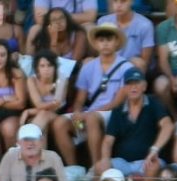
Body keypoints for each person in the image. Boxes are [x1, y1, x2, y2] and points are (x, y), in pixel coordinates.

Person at [52, 24, 133, 169]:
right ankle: (74, 168)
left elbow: (117, 102)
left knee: (91, 118)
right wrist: (77, 111)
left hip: (115, 114)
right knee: (59, 122)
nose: (105, 43)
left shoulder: (126, 67)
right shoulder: (88, 67)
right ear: (95, 44)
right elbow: (80, 99)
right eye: (101, 40)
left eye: (109, 40)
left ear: (116, 42)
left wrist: (87, 113)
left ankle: (96, 167)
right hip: (91, 114)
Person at [97, 67, 171, 180]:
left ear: (144, 86)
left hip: (147, 161)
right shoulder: (118, 110)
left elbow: (168, 125)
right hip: (123, 163)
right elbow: (107, 141)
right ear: (125, 88)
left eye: (137, 83)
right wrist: (105, 158)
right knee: (100, 168)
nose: (133, 87)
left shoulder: (153, 103)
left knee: (153, 167)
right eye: (129, 84)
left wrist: (154, 150)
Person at [96, 0, 154, 72]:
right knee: (88, 61)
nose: (118, 5)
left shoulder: (145, 25)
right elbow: (100, 52)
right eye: (115, 1)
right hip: (109, 63)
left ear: (131, 2)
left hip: (132, 67)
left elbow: (145, 61)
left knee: (138, 63)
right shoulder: (103, 22)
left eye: (123, 1)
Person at [20, 49, 66, 136]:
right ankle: (37, 147)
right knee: (41, 122)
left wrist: (30, 111)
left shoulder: (62, 78)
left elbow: (57, 105)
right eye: (42, 66)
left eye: (50, 65)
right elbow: (38, 104)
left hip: (59, 115)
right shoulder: (32, 80)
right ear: (37, 68)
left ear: (55, 67)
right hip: (40, 115)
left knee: (43, 114)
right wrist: (35, 110)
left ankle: (24, 142)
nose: (46, 69)